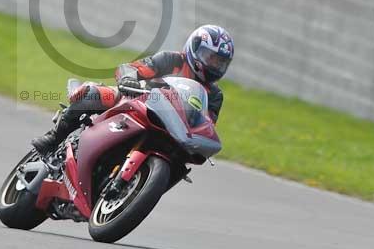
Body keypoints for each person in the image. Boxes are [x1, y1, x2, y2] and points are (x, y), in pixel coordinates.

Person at [31, 25, 234, 155]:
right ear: (194, 48)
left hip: (173, 131)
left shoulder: (214, 95)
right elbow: (131, 68)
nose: (214, 66)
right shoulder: (171, 60)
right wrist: (129, 79)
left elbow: (206, 124)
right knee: (95, 93)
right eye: (210, 58)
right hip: (136, 102)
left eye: (220, 63)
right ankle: (53, 137)